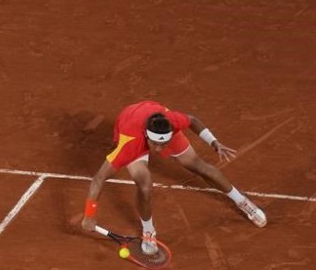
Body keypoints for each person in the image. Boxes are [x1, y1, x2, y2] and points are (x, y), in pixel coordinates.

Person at [80, 100, 266, 254]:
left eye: (164, 144)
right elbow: (98, 179)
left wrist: (214, 142)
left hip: (153, 116)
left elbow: (192, 120)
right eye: (156, 145)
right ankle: (148, 231)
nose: (160, 151)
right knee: (144, 185)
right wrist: (89, 215)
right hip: (129, 123)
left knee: (197, 165)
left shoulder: (172, 122)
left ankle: (242, 201)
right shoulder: (129, 145)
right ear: (147, 136)